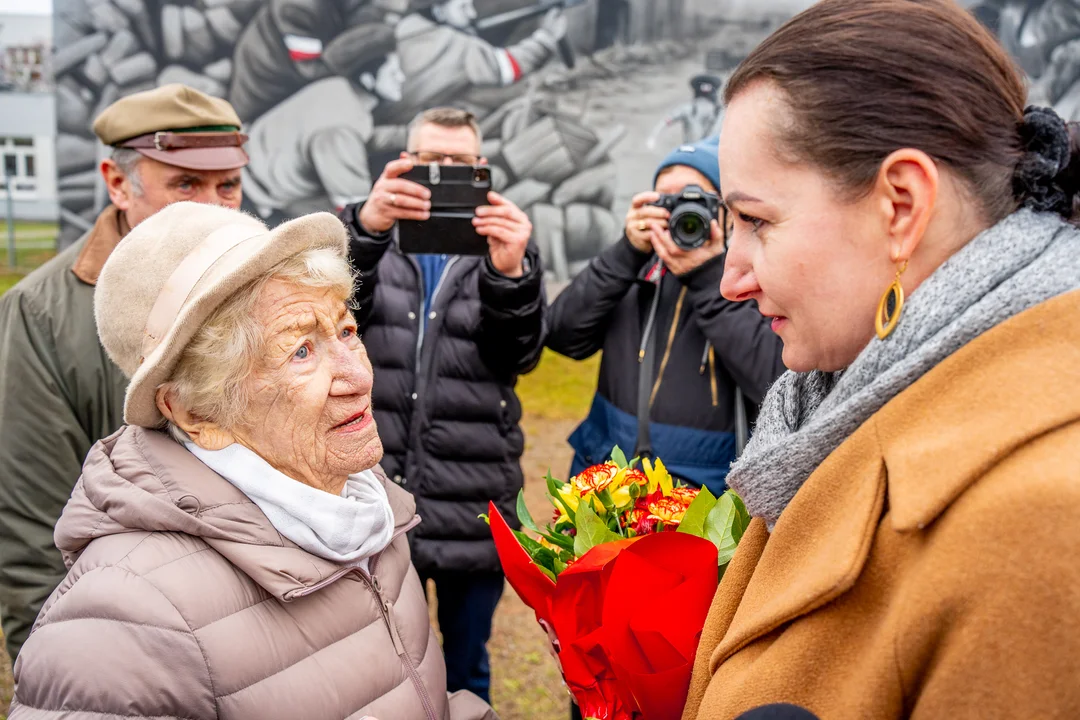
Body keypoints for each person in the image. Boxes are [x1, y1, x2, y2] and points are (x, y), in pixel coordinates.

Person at [682, 0, 1080, 717]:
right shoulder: (853, 403)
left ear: (900, 204)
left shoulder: (1042, 530)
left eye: (757, 221)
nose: (731, 277)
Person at [8, 202, 496, 720]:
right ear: (196, 410)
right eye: (300, 352)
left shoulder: (360, 508)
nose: (358, 377)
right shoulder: (122, 621)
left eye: (347, 332)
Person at [0, 83, 248, 662]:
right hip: (133, 633)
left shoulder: (274, 291)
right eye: (185, 184)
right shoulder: (41, 316)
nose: (214, 208)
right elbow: (32, 524)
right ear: (117, 182)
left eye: (228, 185)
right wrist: (62, 667)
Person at [341, 106, 543, 703]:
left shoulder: (506, 241)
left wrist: (510, 275)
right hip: (374, 496)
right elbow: (332, 312)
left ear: (481, 169)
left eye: (457, 162)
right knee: (375, 668)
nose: (441, 172)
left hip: (472, 498)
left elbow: (520, 355)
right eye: (428, 159)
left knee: (465, 671)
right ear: (402, 161)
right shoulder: (368, 229)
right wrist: (366, 230)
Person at [546, 137, 785, 496]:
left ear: (729, 212)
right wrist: (626, 253)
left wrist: (707, 278)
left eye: (696, 200)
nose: (680, 215)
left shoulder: (752, 282)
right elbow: (564, 336)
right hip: (604, 480)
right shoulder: (632, 269)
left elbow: (774, 380)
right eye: (666, 201)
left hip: (703, 492)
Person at [241, 47, 407, 220]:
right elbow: (354, 206)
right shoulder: (344, 124)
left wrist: (407, 135)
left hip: (245, 171)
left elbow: (359, 137)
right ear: (368, 79)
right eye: (393, 73)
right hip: (255, 198)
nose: (401, 78)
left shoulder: (337, 87)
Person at [392, 0, 567, 115]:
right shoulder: (458, 46)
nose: (472, 14)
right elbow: (506, 67)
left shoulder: (405, 28)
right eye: (463, 7)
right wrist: (546, 37)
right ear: (439, 11)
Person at [645, 74, 725, 150]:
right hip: (694, 151)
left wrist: (653, 138)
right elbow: (666, 121)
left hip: (709, 152)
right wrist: (652, 138)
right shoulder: (688, 109)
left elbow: (665, 122)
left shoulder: (721, 112)